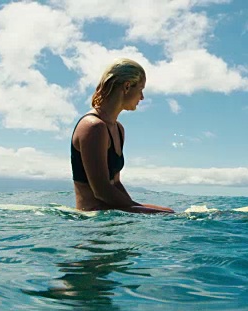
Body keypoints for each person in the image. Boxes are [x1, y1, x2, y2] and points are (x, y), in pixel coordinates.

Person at [71, 58, 174, 214]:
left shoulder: (118, 129)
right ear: (127, 86)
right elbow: (102, 191)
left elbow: (116, 183)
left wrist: (136, 206)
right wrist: (137, 209)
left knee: (168, 212)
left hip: (111, 210)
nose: (142, 97)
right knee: (168, 215)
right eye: (140, 89)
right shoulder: (94, 127)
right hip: (92, 217)